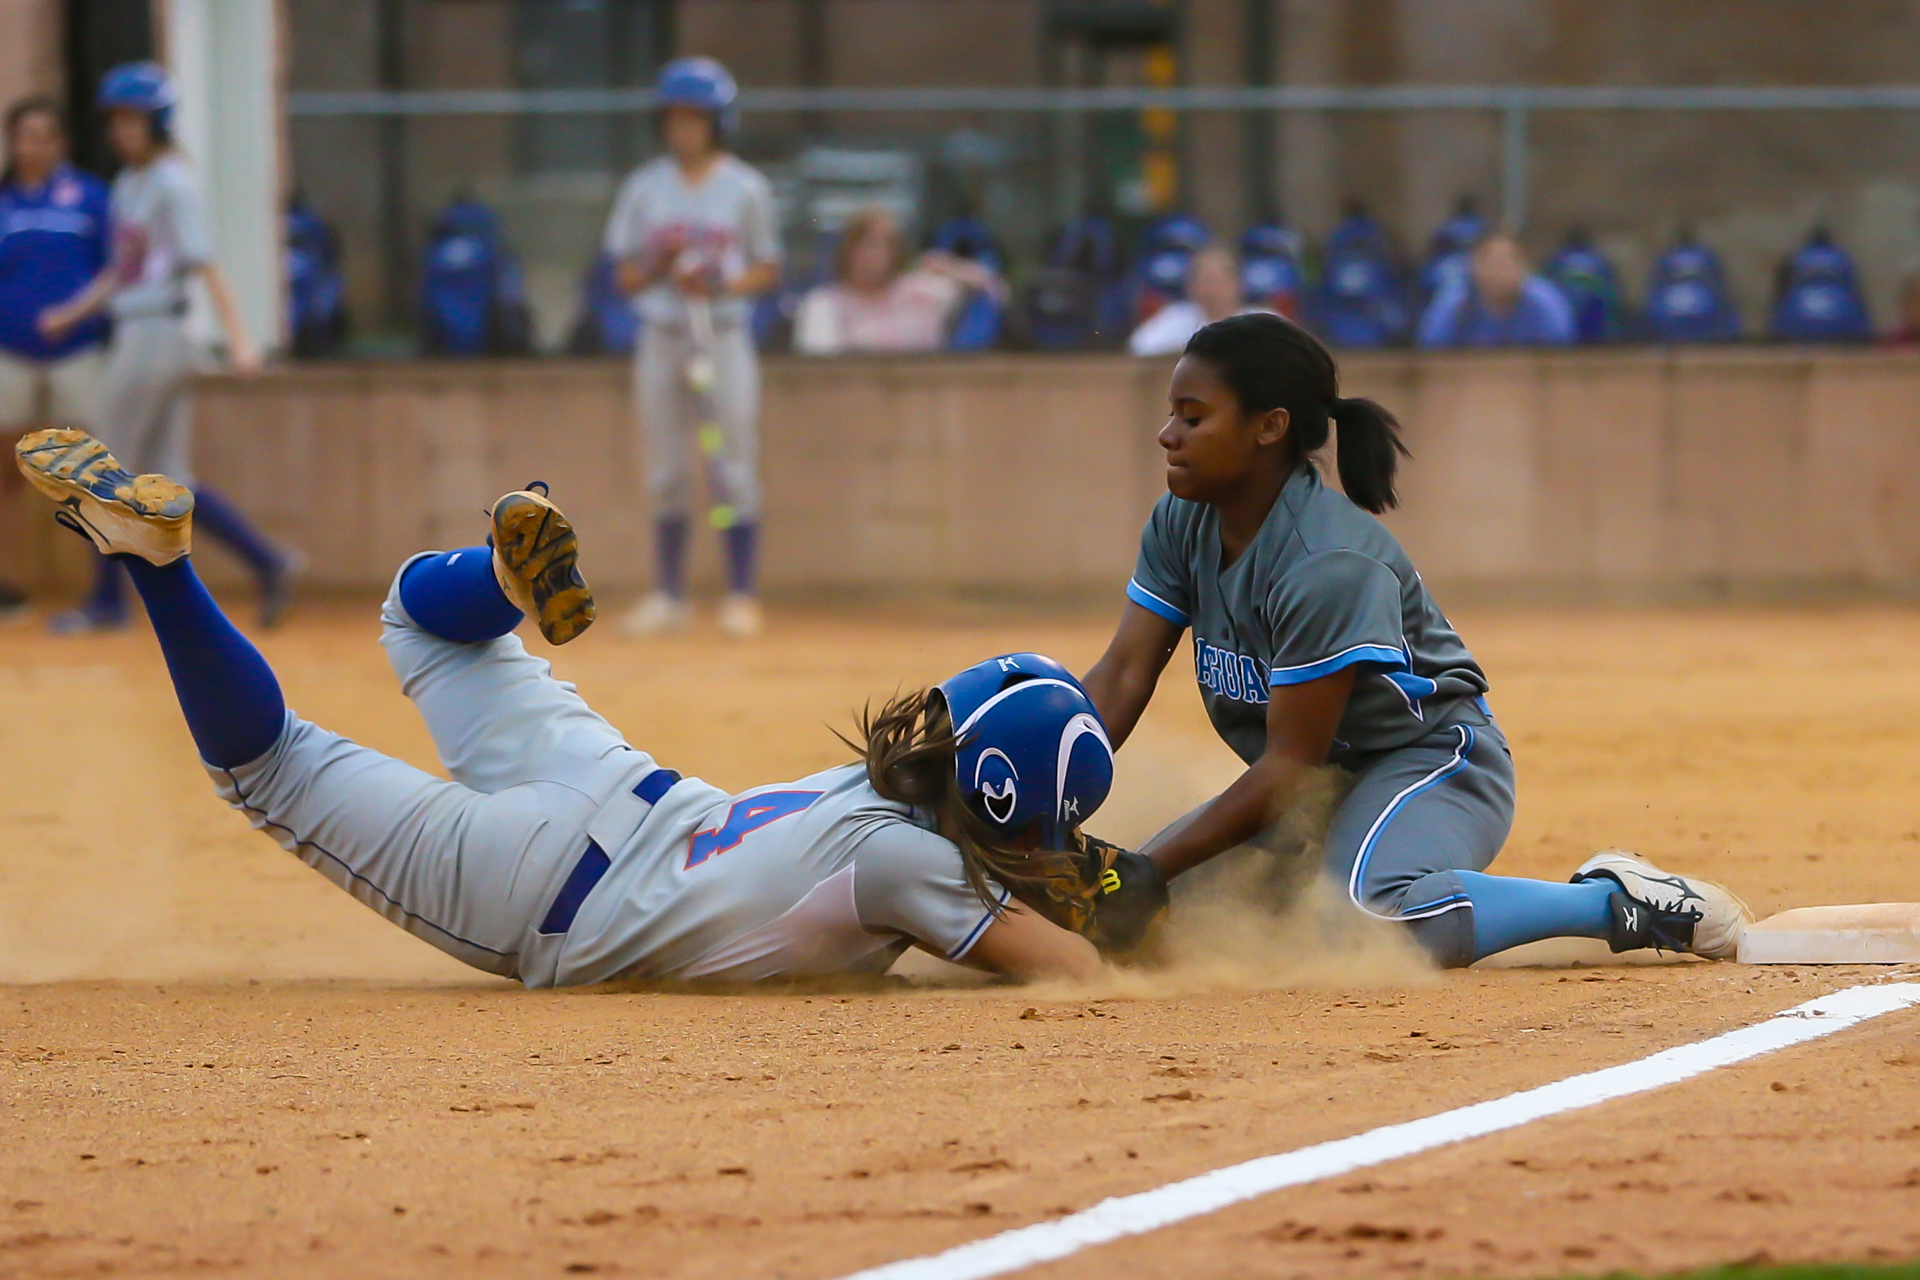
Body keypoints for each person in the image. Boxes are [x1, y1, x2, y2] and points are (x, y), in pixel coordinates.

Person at [15, 426, 1121, 986]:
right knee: (272, 767)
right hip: (542, 895)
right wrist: (1110, 901)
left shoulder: (869, 791)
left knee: (416, 614)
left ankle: (502, 583)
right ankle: (162, 569)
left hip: (621, 783)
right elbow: (1070, 975)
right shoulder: (915, 867)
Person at [1080, 313, 1750, 969]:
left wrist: (1147, 867)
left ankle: (1617, 902)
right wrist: (1042, 799)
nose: (1168, 434)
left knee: (1362, 923)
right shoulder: (1183, 521)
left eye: (1193, 417)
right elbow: (1124, 672)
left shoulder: (1327, 562)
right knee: (1154, 926)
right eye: (1172, 414)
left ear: (1270, 427)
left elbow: (1289, 764)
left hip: (1434, 763)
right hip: (1319, 791)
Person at [36, 63, 297, 634]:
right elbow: (121, 272)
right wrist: (71, 313)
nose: (121, 131)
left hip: (156, 335)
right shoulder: (131, 182)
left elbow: (206, 264)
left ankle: (108, 603)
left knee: (98, 472)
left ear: (158, 122)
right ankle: (269, 562)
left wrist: (240, 338)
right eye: (116, 121)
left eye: (133, 120)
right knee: (170, 476)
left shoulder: (172, 182)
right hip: (141, 329)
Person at [605, 57, 779, 640]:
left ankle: (741, 594)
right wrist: (660, 264)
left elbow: (767, 267)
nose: (684, 129)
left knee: (732, 462)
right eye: (675, 117)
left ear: (718, 122)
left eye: (696, 118)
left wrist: (720, 283)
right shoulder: (645, 186)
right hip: (662, 333)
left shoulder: (745, 187)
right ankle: (669, 595)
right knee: (667, 468)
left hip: (722, 334)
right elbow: (624, 275)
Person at [0, 97, 113, 620]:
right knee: (5, 469)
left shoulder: (90, 198)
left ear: (62, 143)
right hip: (9, 355)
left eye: (44, 136)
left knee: (87, 469)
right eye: (24, 136)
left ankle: (104, 588)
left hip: (77, 354)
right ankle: (7, 583)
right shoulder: (4, 202)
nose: (33, 146)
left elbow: (117, 268)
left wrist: (76, 315)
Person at [792, 206, 1007, 355]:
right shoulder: (822, 304)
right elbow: (820, 370)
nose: (873, 255)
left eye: (886, 245)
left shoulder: (922, 293)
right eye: (866, 244)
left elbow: (995, 290)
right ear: (847, 250)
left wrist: (948, 267)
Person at [1416, 231, 1574, 348]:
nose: (1499, 271)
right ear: (1473, 266)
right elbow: (1429, 355)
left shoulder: (1545, 303)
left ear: (1524, 267)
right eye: (1490, 263)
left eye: (1507, 263)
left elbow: (1563, 358)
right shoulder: (1454, 303)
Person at [1127, 246, 1249, 357]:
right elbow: (1138, 347)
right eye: (1205, 281)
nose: (1211, 289)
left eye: (1217, 281)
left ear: (1237, 284)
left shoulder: (1255, 318)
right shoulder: (1175, 316)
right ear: (1191, 286)